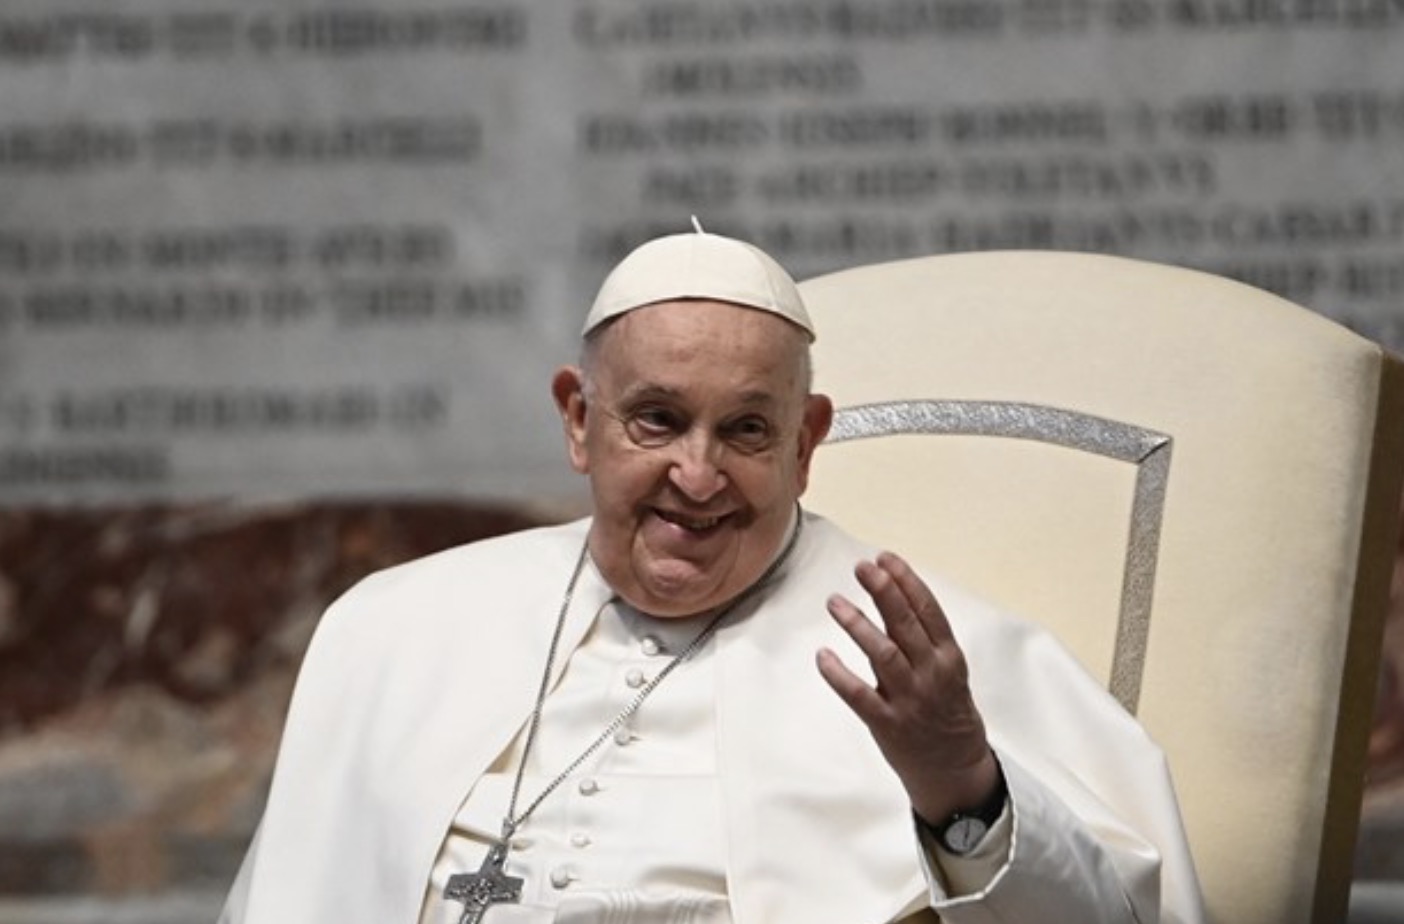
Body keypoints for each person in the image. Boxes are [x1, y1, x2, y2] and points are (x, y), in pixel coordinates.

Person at [220, 228, 1206, 923]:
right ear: (579, 421)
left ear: (807, 444)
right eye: (656, 420)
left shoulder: (931, 661)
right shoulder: (396, 629)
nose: (697, 477)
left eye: (745, 430)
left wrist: (959, 784)